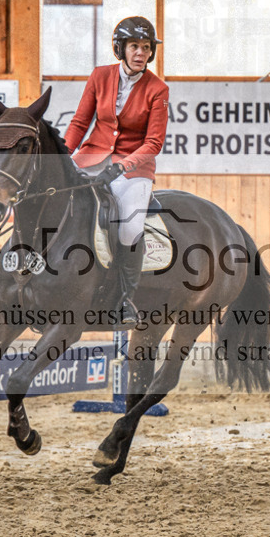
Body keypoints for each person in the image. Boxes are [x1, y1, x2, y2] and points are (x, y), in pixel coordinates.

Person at [64, 16, 169, 330]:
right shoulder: (100, 77)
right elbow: (80, 123)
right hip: (91, 158)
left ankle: (125, 298)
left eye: (146, 48)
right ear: (120, 48)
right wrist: (61, 156)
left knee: (129, 227)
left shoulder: (158, 89)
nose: (141, 53)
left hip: (133, 170)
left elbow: (153, 142)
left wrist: (123, 166)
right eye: (135, 46)